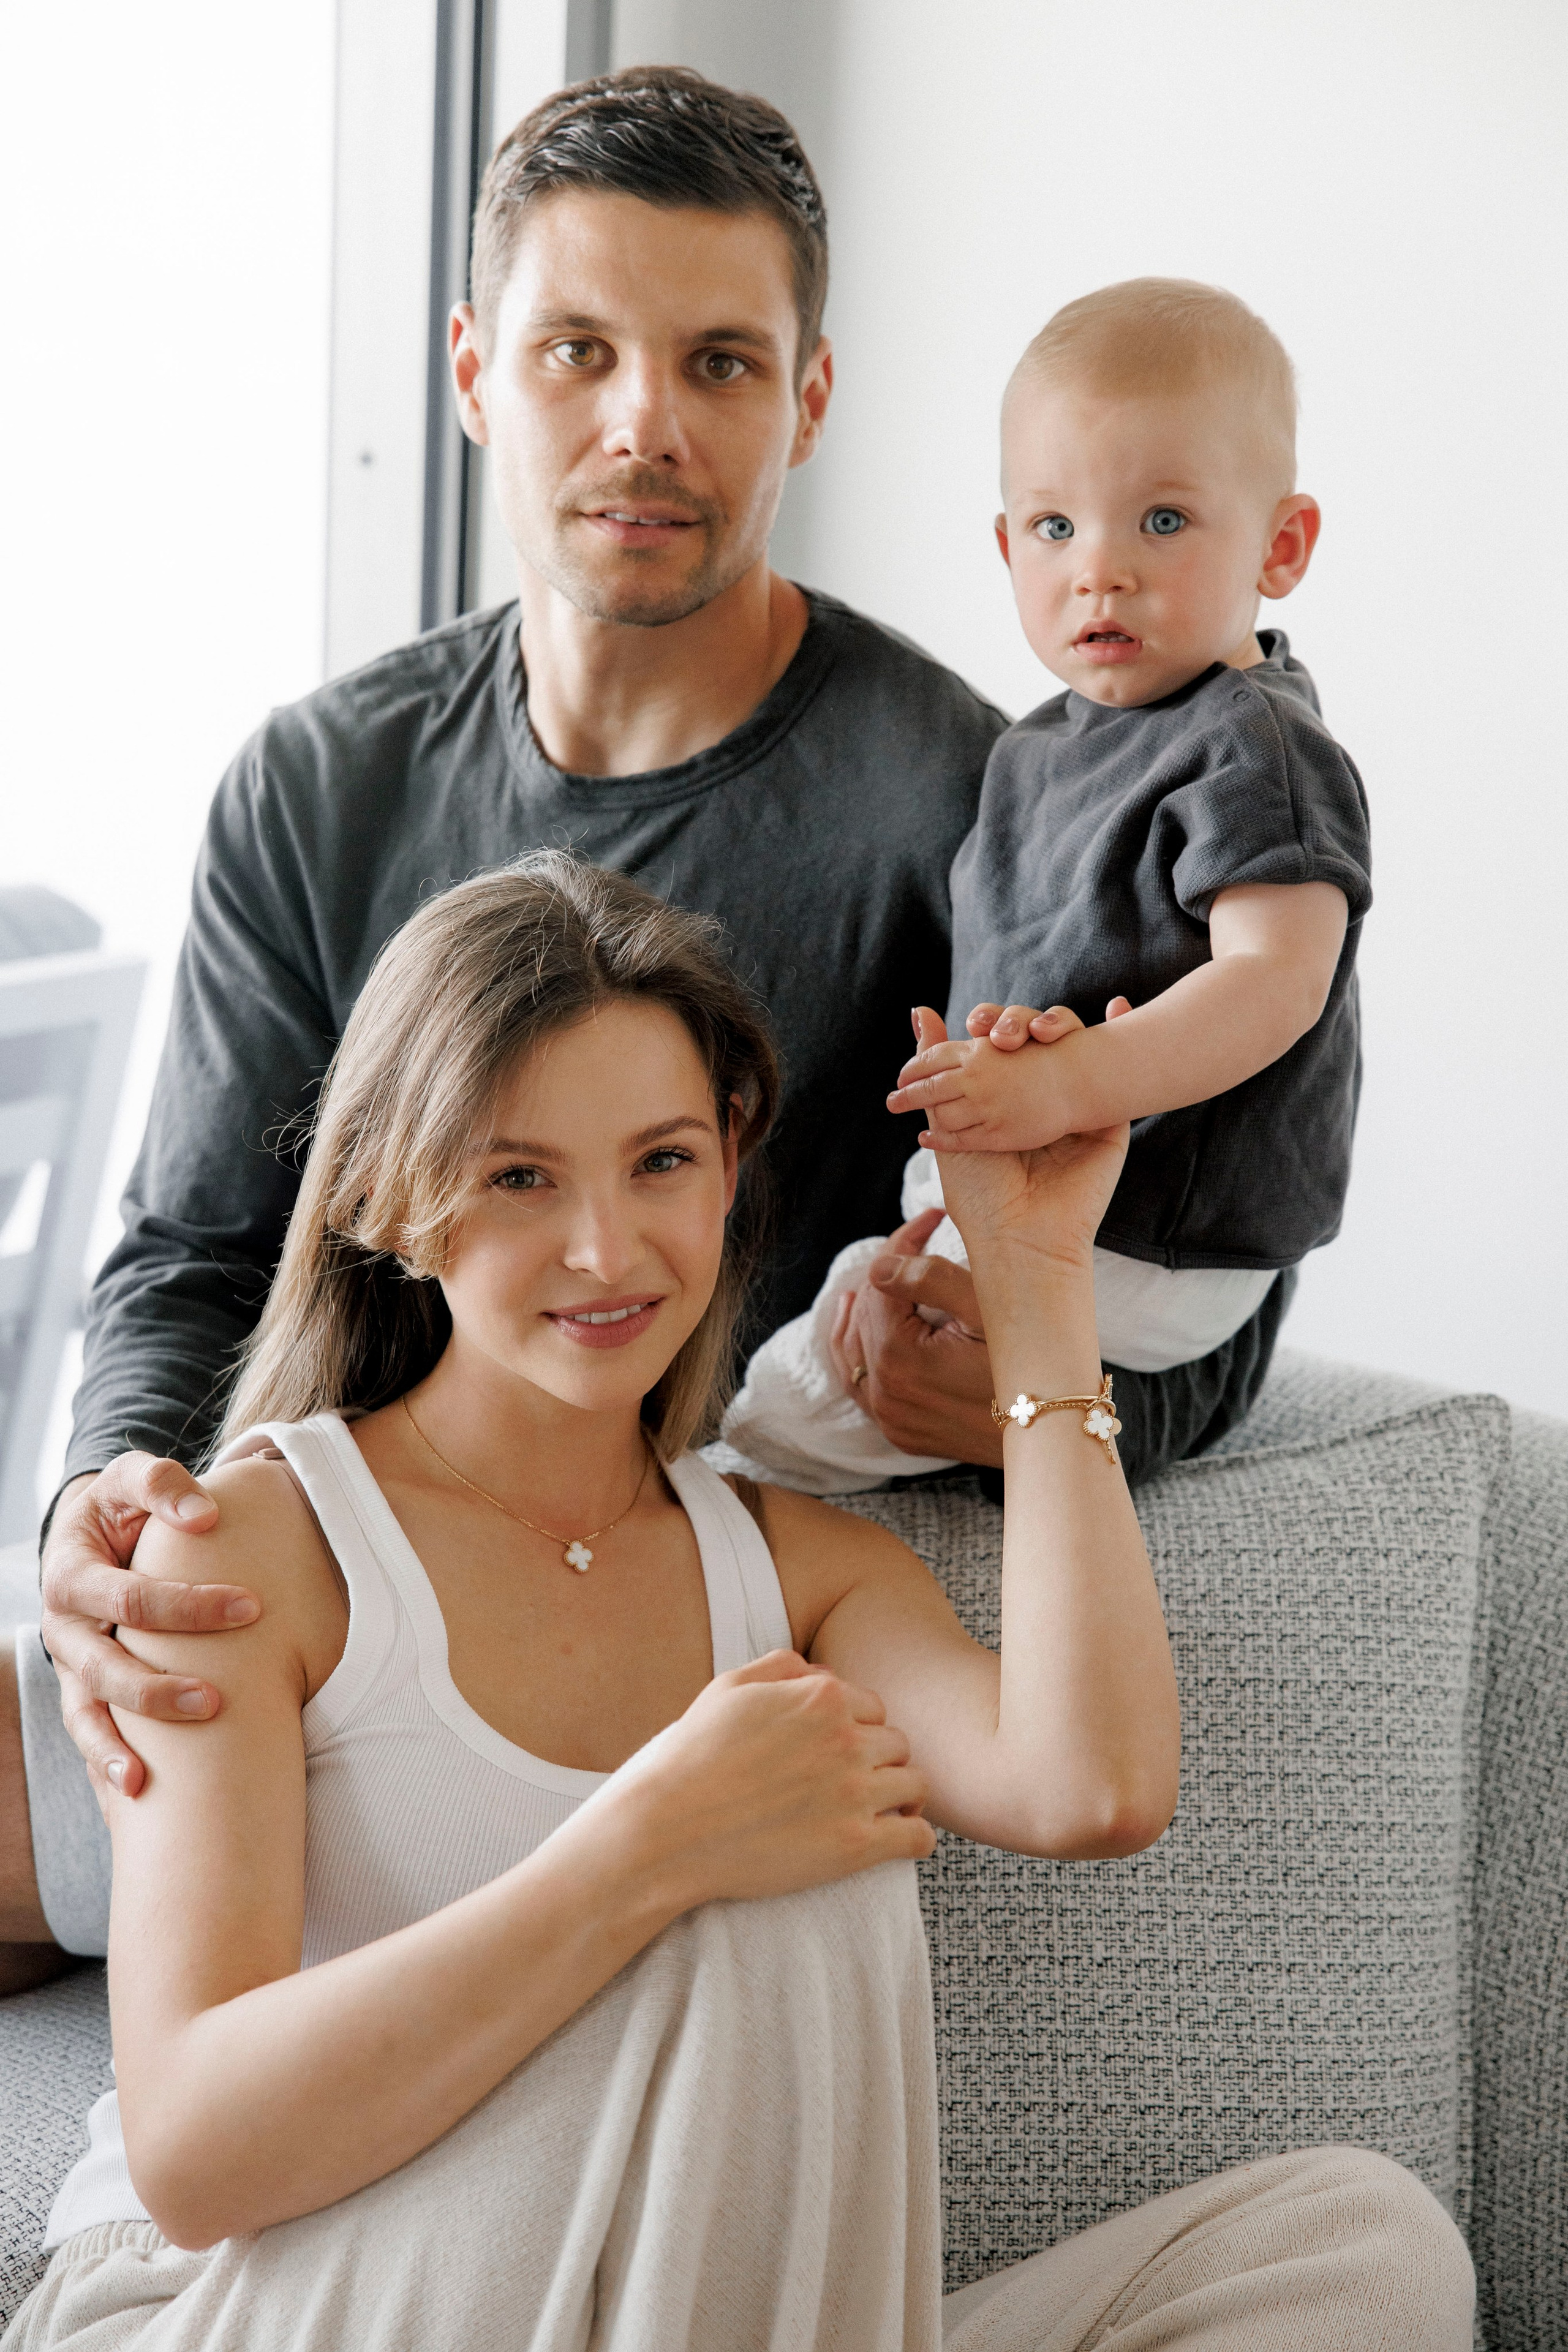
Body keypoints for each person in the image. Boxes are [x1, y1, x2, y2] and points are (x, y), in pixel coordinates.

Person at [0, 70, 1289, 1981]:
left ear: (809, 401)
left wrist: (1013, 1403)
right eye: (577, 351)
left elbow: (1203, 1272)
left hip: (617, 1650)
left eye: (718, 364)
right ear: (470, 369)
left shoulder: (972, 796)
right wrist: (104, 1504)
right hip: (291, 1600)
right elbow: (191, 1261)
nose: (642, 426)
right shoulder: (316, 784)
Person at [2, 858, 1471, 2351]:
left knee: (1357, 2251)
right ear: (399, 1196)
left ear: (730, 1156)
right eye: (521, 1176)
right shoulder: (244, 1545)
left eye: (660, 1162)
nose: (605, 1249)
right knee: (779, 1845)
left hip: (678, 2313)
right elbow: (195, 2156)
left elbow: (1092, 1785)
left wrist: (1032, 1280)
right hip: (243, 2302)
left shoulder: (799, 1569)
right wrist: (650, 1844)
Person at [722, 279, 1369, 1494]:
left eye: (1162, 522)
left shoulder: (1254, 748)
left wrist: (1069, 1081)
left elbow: (1274, 981)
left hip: (1153, 1238)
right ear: (1007, 544)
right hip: (1012, 1198)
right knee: (836, 1331)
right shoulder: (1029, 752)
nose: (1099, 573)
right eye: (1055, 528)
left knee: (811, 1407)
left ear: (1278, 547)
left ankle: (727, 1518)